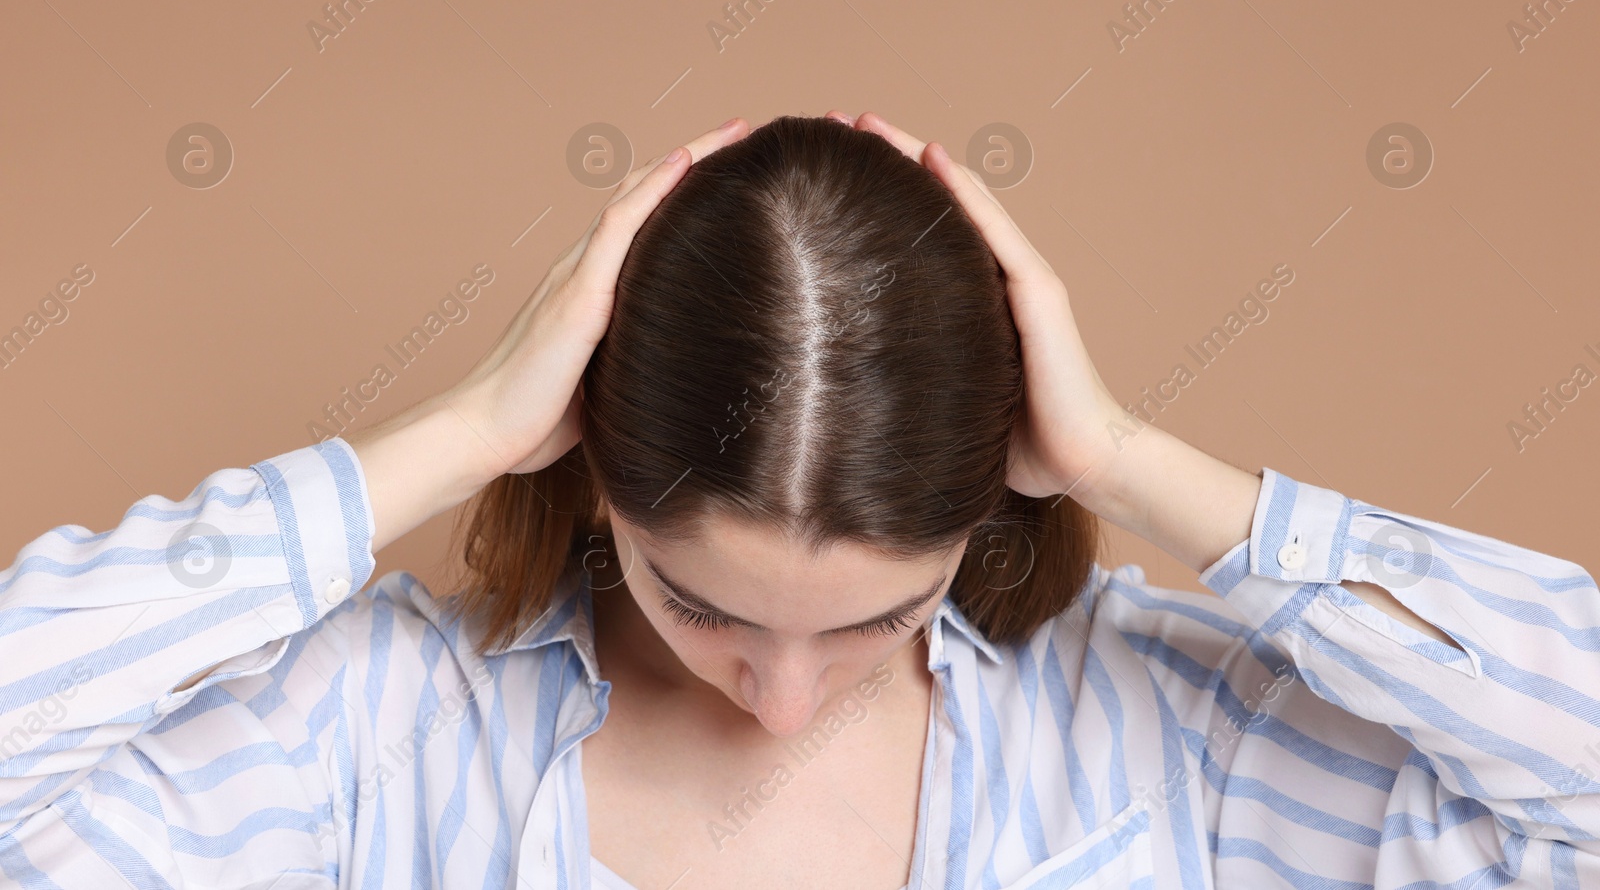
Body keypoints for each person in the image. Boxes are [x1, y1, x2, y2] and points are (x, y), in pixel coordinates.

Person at [0, 112, 1596, 890]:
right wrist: (463, 430)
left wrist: (1134, 464)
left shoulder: (1170, 736)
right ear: (594, 479)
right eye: (700, 603)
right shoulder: (372, 734)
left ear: (985, 520)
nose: (779, 700)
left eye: (878, 620)